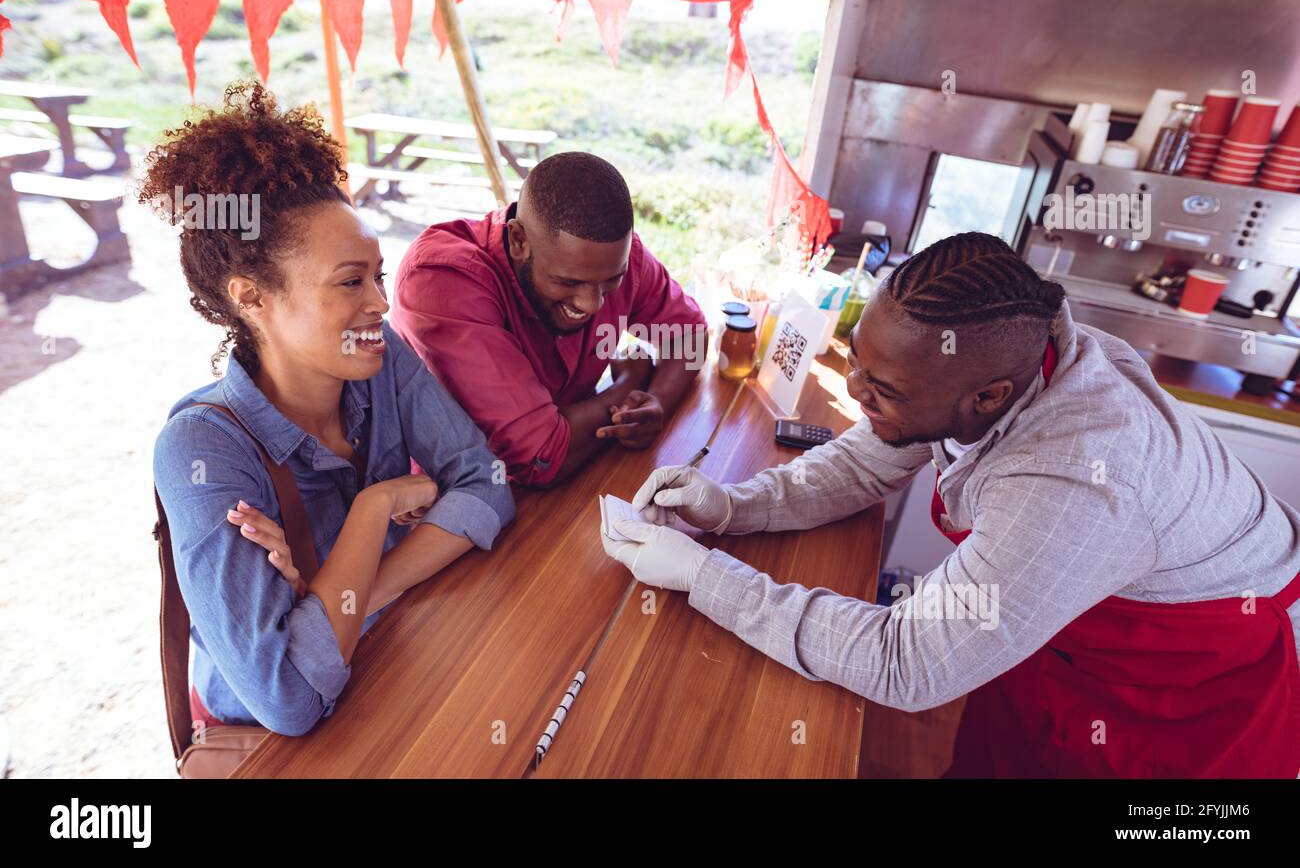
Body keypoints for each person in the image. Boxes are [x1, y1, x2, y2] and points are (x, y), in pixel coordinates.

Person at [602, 231, 1300, 777]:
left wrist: (703, 575)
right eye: (858, 369)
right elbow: (867, 458)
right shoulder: (1003, 361)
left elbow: (908, 664)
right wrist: (729, 507)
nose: (859, 397)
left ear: (988, 397)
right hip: (1071, 637)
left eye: (885, 391)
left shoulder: (1076, 478)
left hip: (1180, 685)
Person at [148, 82, 514, 736]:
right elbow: (287, 695)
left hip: (389, 646)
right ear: (252, 297)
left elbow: (486, 483)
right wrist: (376, 510)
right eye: (351, 281)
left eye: (378, 274)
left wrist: (352, 595)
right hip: (274, 738)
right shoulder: (202, 449)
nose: (380, 301)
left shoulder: (380, 358)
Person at [391, 151, 707, 486]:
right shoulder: (442, 280)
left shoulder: (607, 258)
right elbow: (541, 456)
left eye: (611, 281)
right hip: (452, 502)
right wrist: (628, 385)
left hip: (576, 482)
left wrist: (654, 403)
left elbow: (690, 336)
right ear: (518, 241)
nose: (592, 304)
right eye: (568, 282)